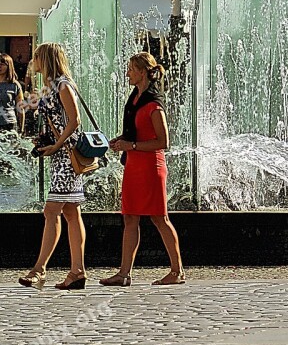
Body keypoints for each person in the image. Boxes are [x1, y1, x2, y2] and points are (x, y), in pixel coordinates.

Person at [100, 52, 185, 287]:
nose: (127, 73)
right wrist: (121, 141)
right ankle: (124, 273)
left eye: (130, 69)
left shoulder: (153, 102)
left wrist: (132, 145)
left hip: (150, 166)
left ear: (142, 71)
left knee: (159, 218)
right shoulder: (136, 97)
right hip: (134, 164)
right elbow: (135, 133)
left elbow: (163, 141)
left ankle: (177, 271)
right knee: (129, 217)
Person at [18, 43, 88, 290]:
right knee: (71, 212)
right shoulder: (50, 86)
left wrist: (57, 145)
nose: (31, 61)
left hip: (67, 157)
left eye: (35, 57)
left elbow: (75, 120)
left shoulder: (62, 85)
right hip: (61, 156)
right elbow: (23, 105)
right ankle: (77, 271)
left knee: (51, 211)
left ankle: (39, 270)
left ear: (45, 59)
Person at [0, 53, 24, 133]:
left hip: (9, 123)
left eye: (2, 64)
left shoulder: (14, 85)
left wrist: (22, 129)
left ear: (9, 66)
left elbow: (20, 108)